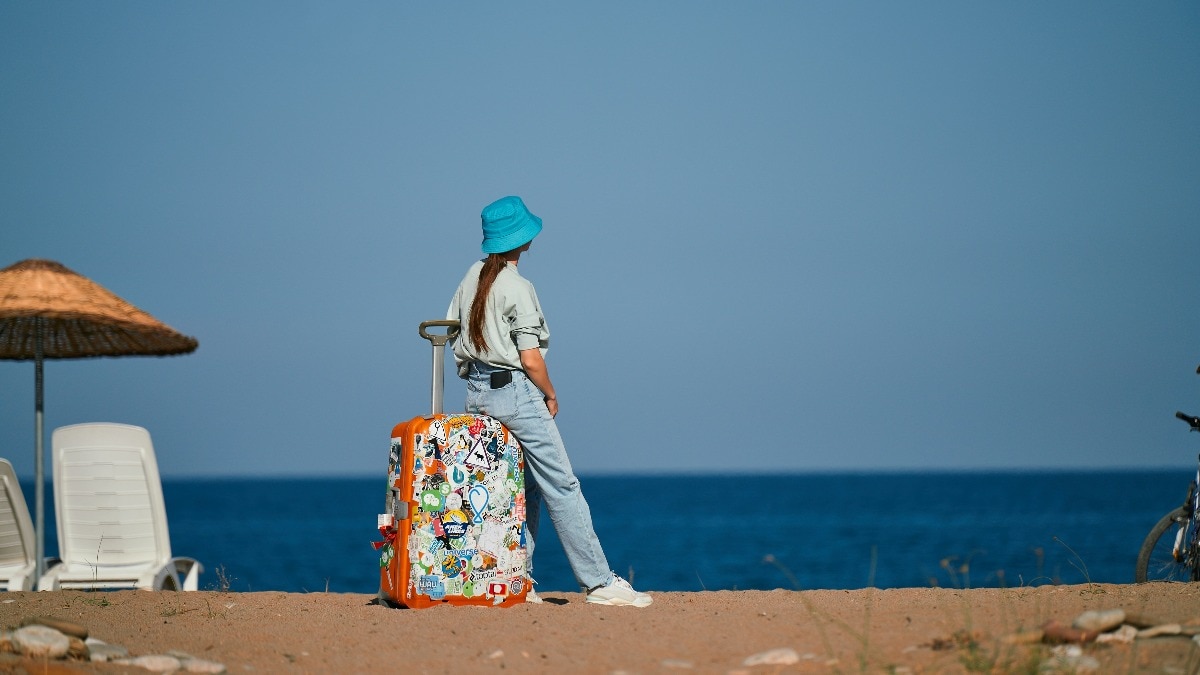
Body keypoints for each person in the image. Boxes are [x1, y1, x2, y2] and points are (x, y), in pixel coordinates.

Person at [446, 195, 652, 608]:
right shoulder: (517, 287)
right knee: (562, 484)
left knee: (521, 488)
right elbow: (530, 357)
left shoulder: (471, 276)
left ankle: (516, 578)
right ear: (523, 239)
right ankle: (598, 582)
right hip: (516, 393)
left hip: (477, 394)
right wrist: (550, 392)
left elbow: (453, 332)